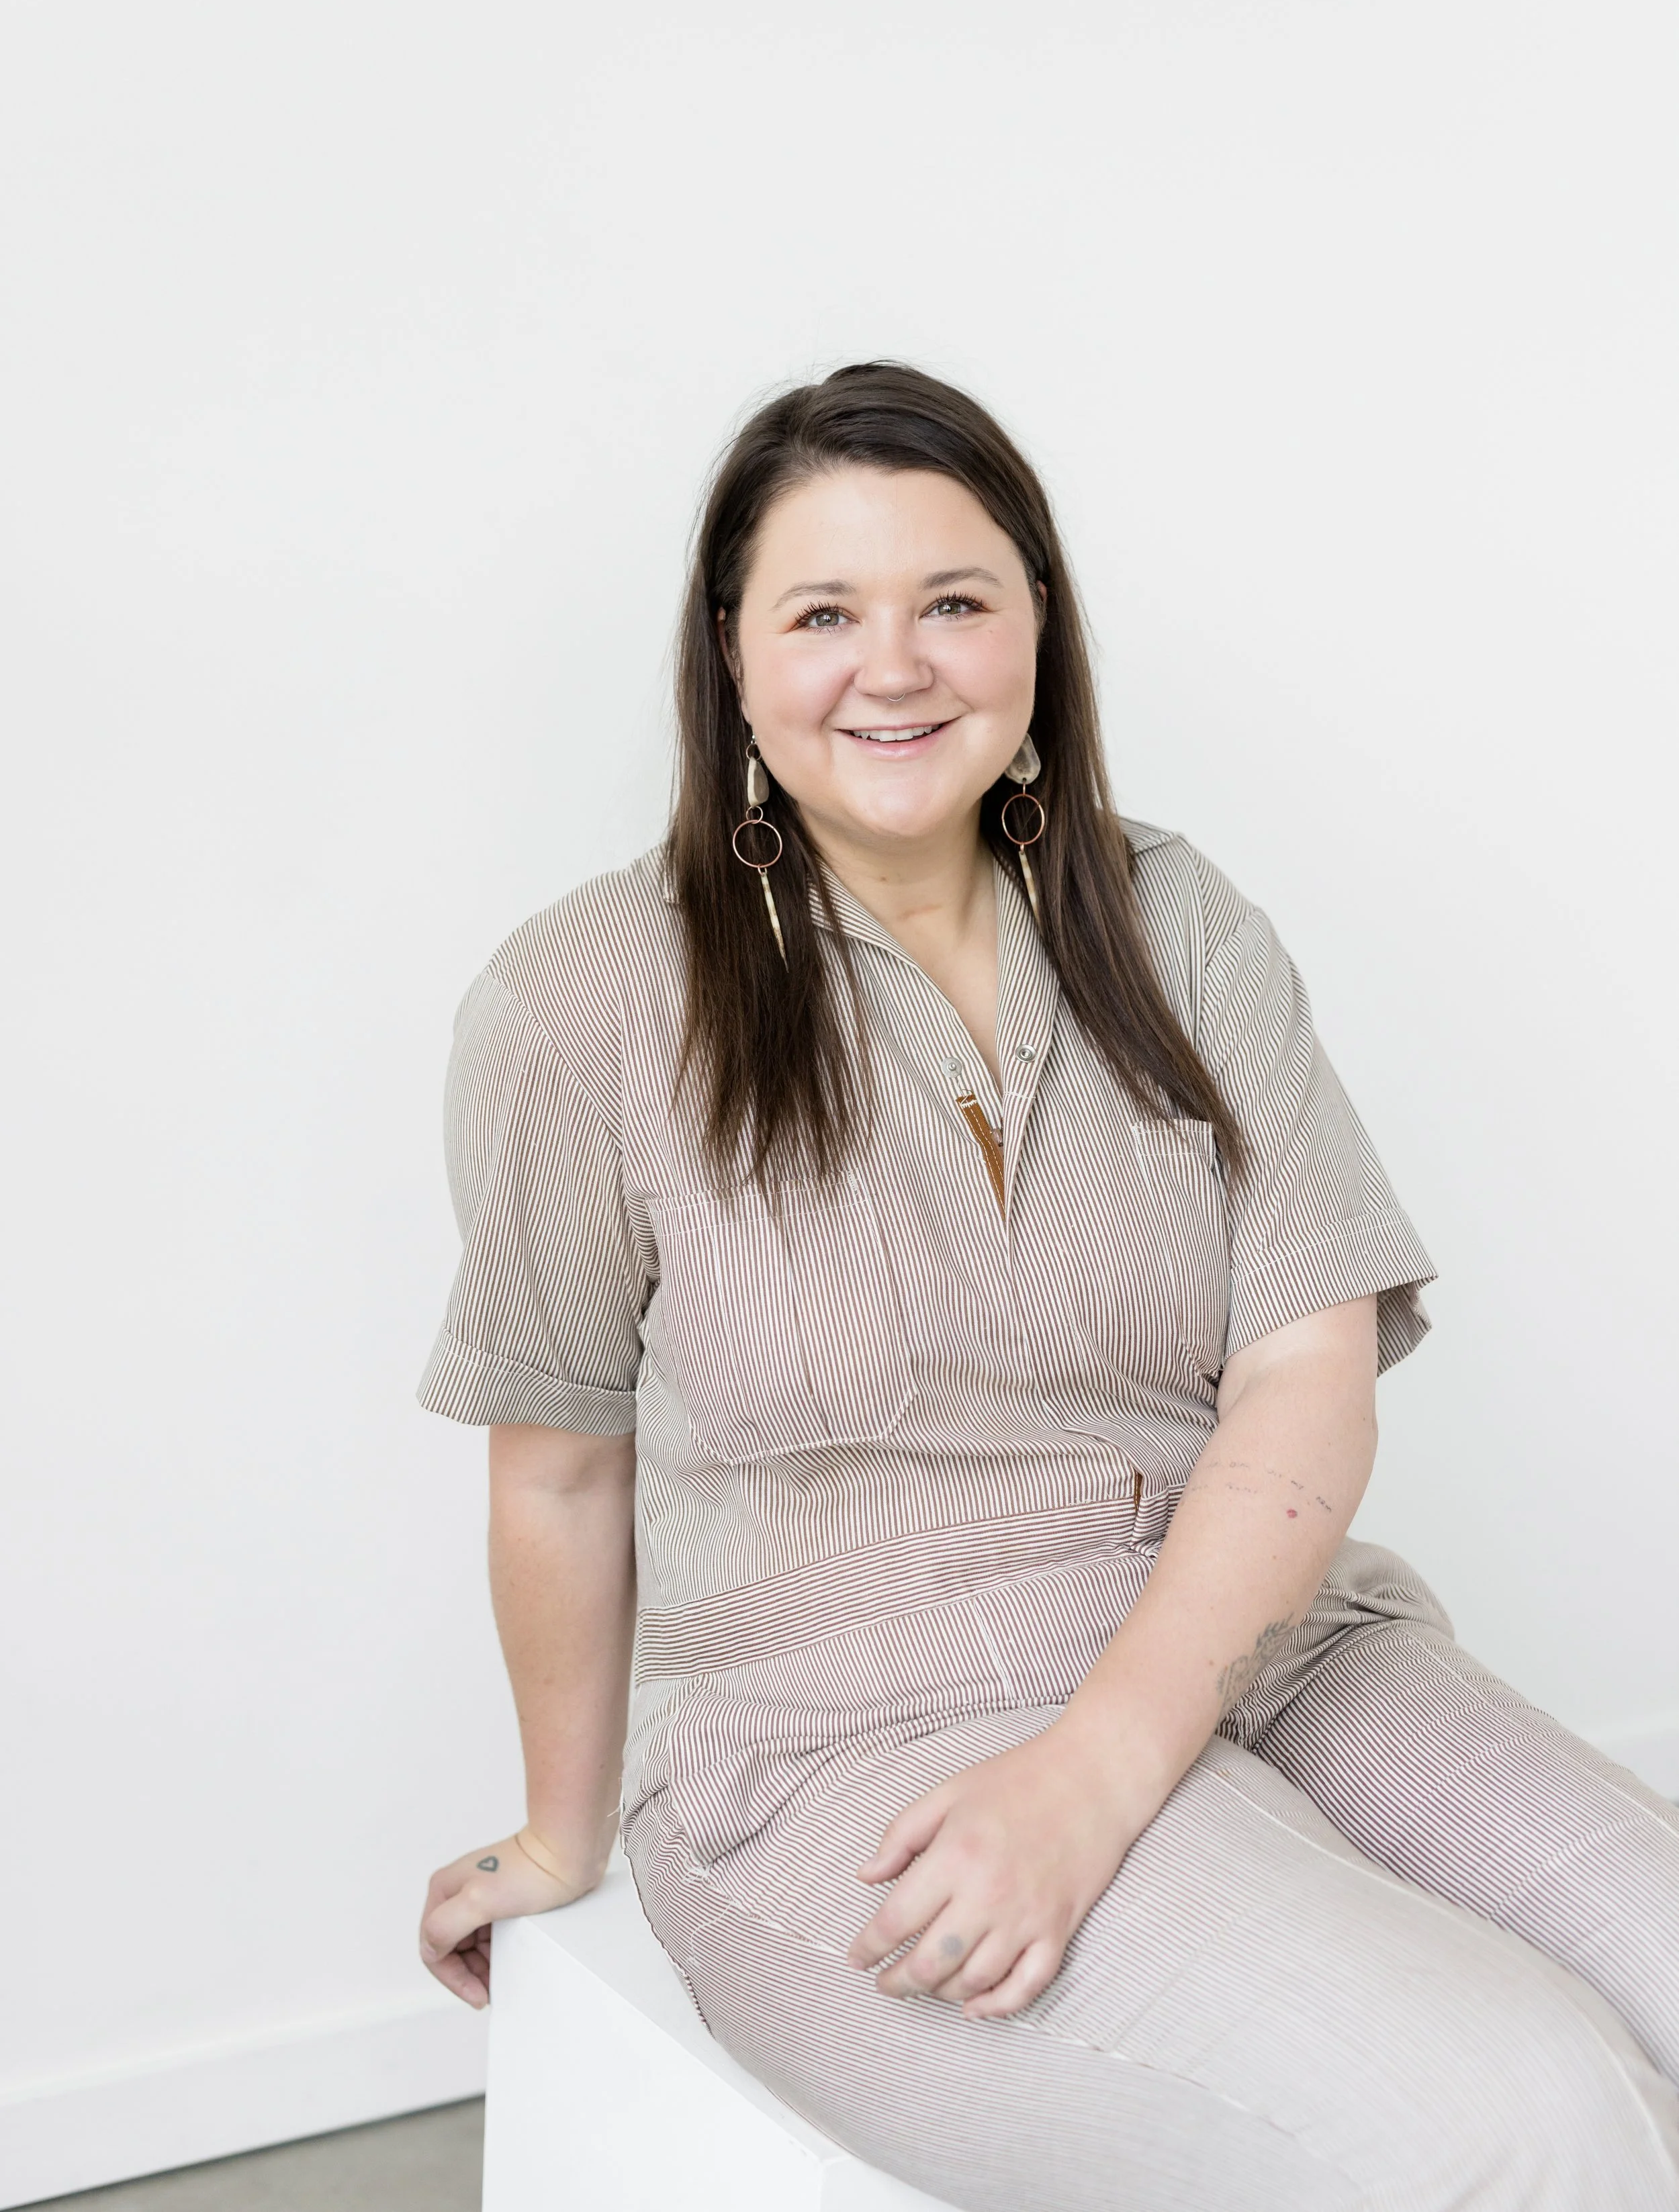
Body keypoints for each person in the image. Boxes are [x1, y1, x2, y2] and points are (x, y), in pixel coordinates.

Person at [415, 363, 1679, 2210]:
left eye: (953, 600)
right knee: (1522, 2112)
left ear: (1035, 631)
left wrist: (1098, 1765)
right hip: (856, 1735)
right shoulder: (583, 1000)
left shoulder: (1174, 924)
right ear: (732, 661)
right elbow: (557, 1461)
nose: (895, 662)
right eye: (824, 612)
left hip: (1271, 1645)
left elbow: (1306, 1373)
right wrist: (553, 1826)